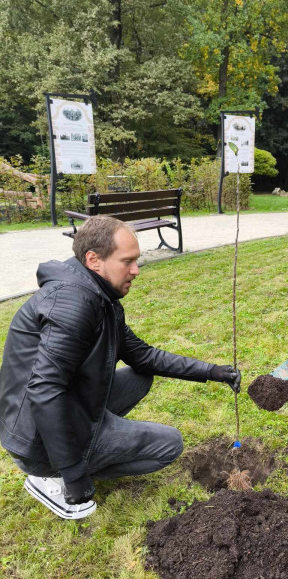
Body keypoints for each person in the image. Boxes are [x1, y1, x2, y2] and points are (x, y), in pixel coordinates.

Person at [0, 216, 241, 519]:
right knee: (170, 444)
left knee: (140, 377)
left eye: (136, 261)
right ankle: (53, 476)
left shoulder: (98, 295)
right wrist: (73, 473)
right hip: (36, 438)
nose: (136, 271)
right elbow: (44, 391)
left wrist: (211, 371)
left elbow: (143, 356)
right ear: (94, 260)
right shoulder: (73, 305)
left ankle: (86, 449)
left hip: (67, 406)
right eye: (127, 261)